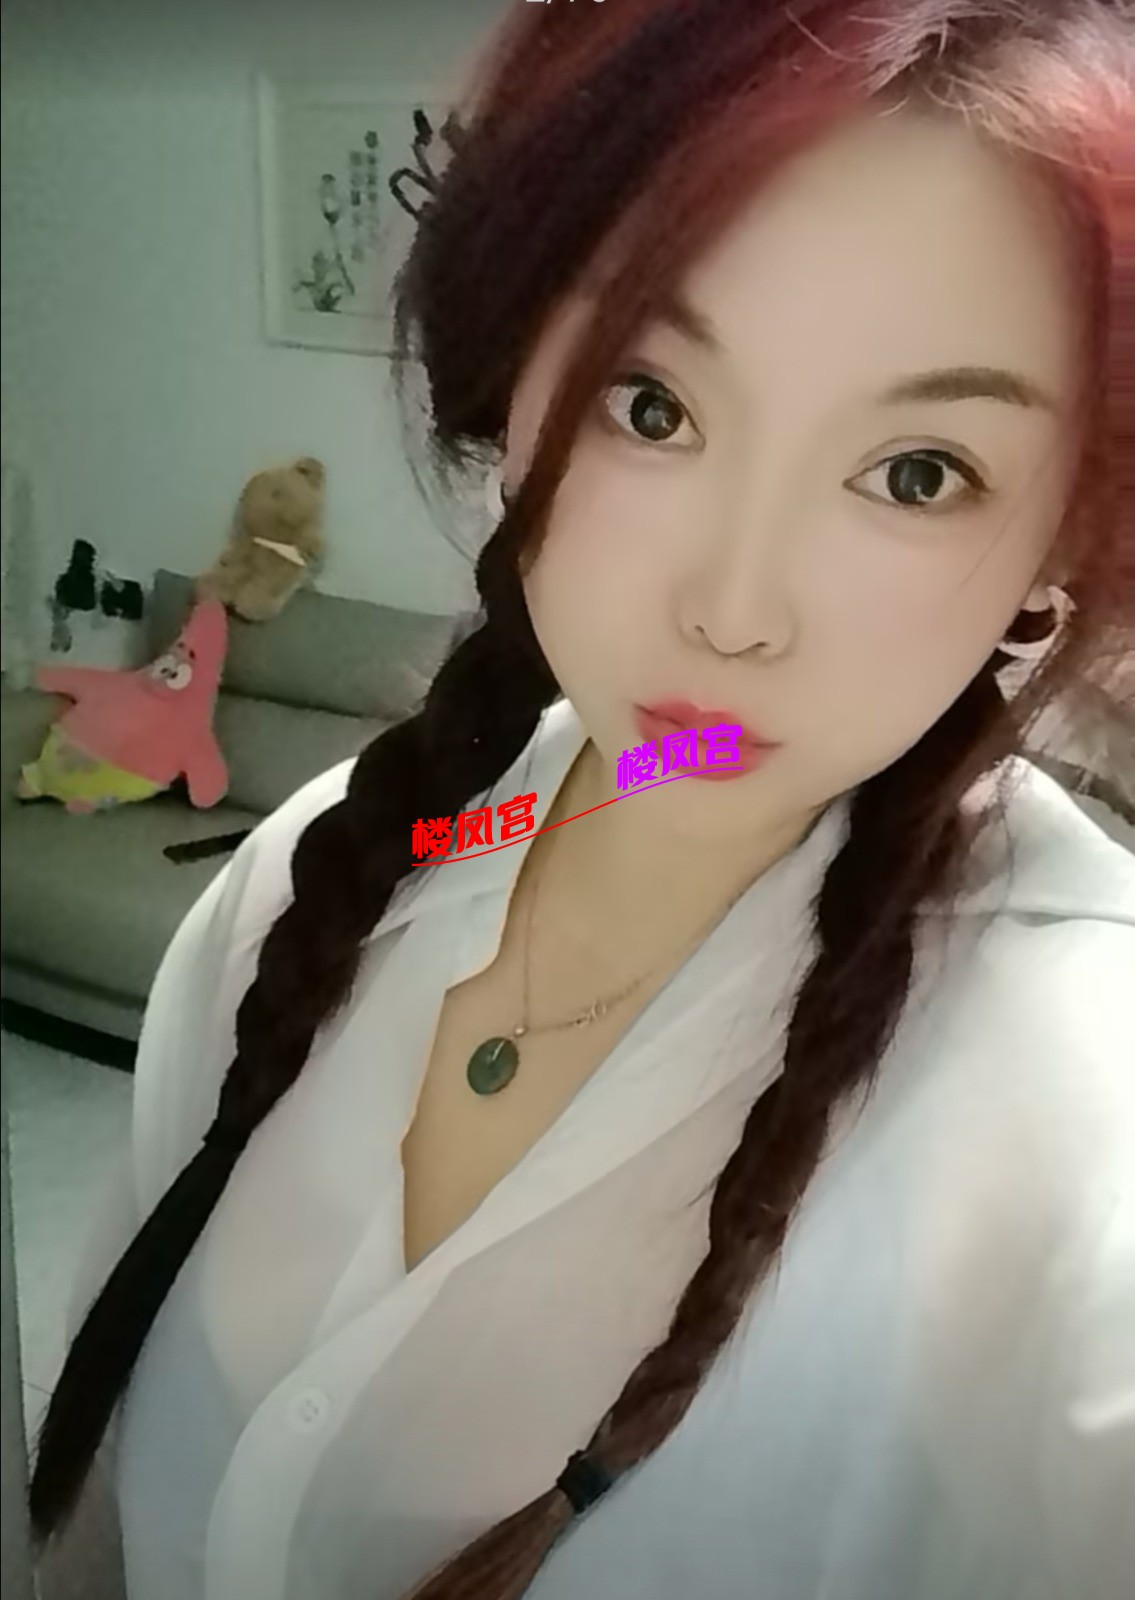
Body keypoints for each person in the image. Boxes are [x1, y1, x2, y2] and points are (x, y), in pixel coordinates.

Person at [26, 3, 1135, 1598]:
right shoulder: (324, 876)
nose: (733, 613)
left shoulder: (1082, 1116)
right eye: (650, 403)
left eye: (916, 473)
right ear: (515, 394)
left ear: (1061, 537)